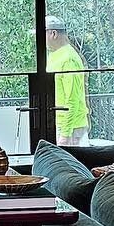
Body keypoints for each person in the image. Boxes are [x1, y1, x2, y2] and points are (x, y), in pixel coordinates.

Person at [45, 15, 90, 145]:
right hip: (59, 124)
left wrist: (65, 134)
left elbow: (72, 98)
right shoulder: (55, 56)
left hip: (72, 128)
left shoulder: (69, 58)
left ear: (53, 34)